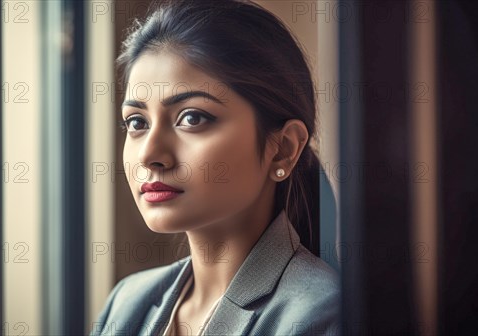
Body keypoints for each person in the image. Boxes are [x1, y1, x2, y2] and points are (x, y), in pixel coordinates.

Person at [91, 1, 339, 335]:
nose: (150, 154)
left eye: (192, 118)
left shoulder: (323, 314)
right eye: (137, 122)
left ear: (283, 149)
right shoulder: (126, 302)